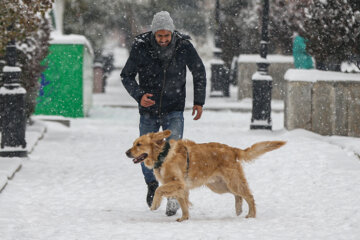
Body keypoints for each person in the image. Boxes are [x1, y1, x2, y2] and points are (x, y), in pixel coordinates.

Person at [121, 11, 206, 216]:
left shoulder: (184, 46)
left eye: (167, 35)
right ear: (153, 33)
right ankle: (152, 184)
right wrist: (139, 95)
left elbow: (199, 71)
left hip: (174, 109)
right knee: (144, 152)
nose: (163, 39)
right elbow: (127, 76)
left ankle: (175, 195)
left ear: (172, 33)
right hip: (148, 110)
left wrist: (199, 102)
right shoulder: (141, 46)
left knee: (174, 154)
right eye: (159, 36)